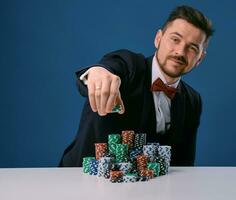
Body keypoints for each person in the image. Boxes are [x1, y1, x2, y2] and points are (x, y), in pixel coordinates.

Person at [59, 5, 214, 167]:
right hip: (79, 176)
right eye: (175, 39)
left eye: (192, 48)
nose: (180, 52)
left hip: (145, 187)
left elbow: (184, 165)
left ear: (199, 59)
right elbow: (109, 67)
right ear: (158, 39)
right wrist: (97, 73)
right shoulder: (130, 66)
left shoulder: (193, 100)